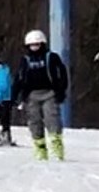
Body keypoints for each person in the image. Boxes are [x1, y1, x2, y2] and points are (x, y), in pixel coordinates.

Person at [11, 29, 68, 161]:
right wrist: (14, 96)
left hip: (49, 93)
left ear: (42, 44)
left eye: (37, 45)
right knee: (34, 122)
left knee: (52, 119)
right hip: (31, 95)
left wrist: (61, 91)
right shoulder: (25, 60)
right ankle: (40, 149)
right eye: (32, 45)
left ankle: (56, 148)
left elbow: (62, 75)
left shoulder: (51, 57)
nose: (34, 48)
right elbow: (19, 78)